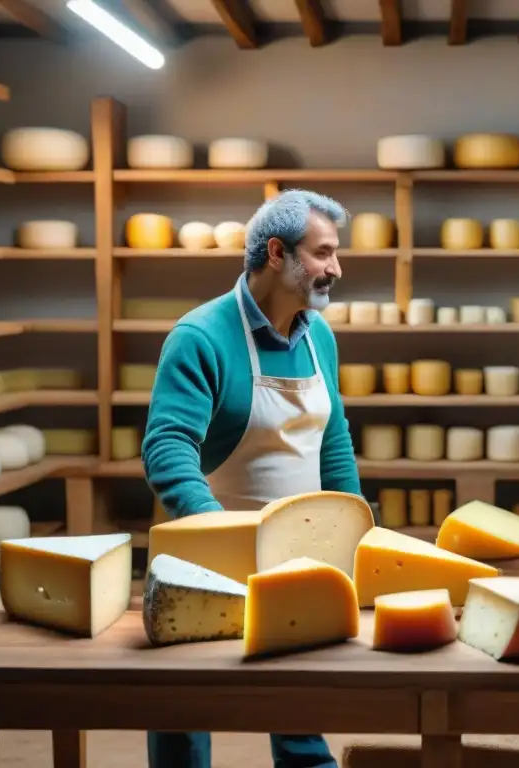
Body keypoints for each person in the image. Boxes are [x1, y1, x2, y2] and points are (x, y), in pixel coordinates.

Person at [141, 189, 360, 768]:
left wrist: (357, 524)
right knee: (184, 715)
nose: (335, 268)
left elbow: (332, 439)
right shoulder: (201, 336)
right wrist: (216, 530)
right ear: (274, 253)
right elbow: (167, 446)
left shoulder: (320, 336)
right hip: (204, 554)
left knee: (298, 709)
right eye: (323, 253)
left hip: (295, 553)